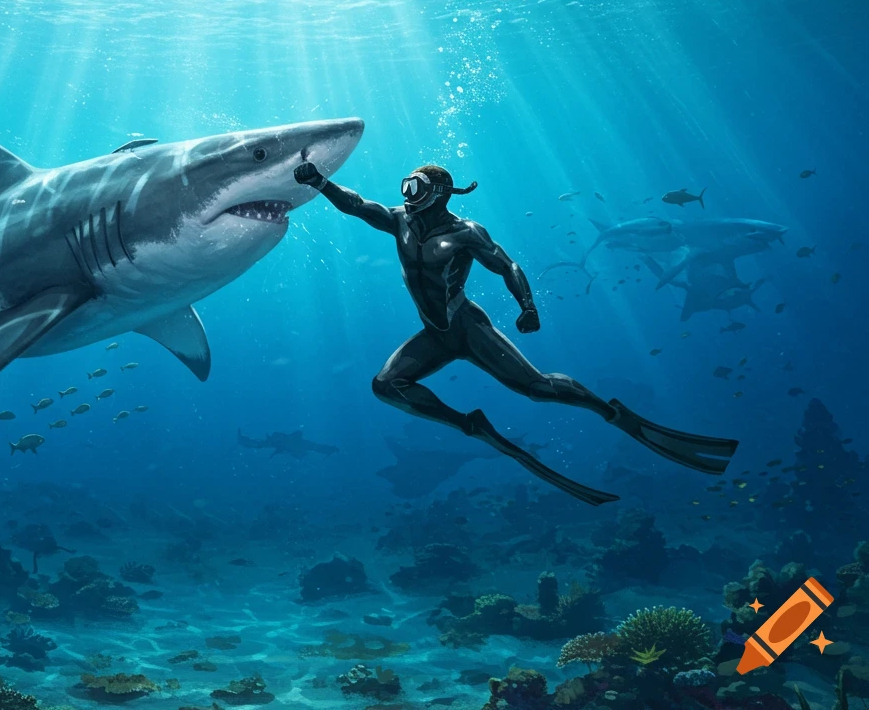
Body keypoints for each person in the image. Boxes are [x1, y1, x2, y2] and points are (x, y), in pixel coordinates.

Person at [293, 161, 738, 505]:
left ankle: (613, 413)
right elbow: (356, 204)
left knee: (538, 388)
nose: (408, 197)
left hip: (468, 328)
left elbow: (507, 265)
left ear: (440, 194)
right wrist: (318, 181)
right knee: (387, 386)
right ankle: (471, 425)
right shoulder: (400, 222)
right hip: (435, 334)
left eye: (418, 189)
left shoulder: (465, 232)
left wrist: (527, 305)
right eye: (406, 187)